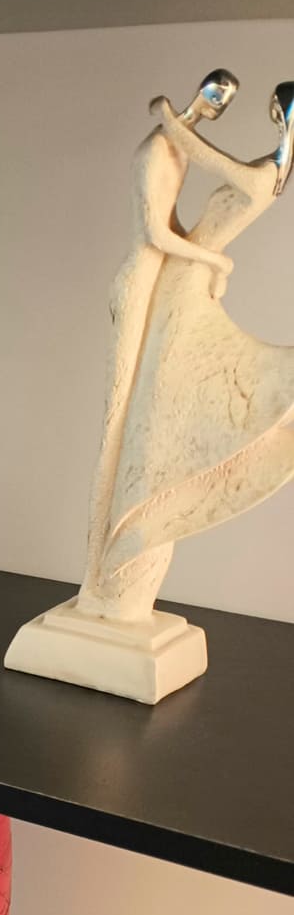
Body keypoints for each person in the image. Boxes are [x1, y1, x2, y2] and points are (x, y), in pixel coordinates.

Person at [77, 79, 294, 624]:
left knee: (149, 413)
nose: (221, 106)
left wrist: (173, 115)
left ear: (280, 112)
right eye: (218, 96)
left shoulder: (264, 172)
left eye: (225, 99)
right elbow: (161, 226)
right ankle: (106, 576)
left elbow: (203, 157)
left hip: (183, 277)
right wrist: (176, 120)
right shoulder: (264, 169)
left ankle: (125, 561)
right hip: (166, 277)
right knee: (129, 414)